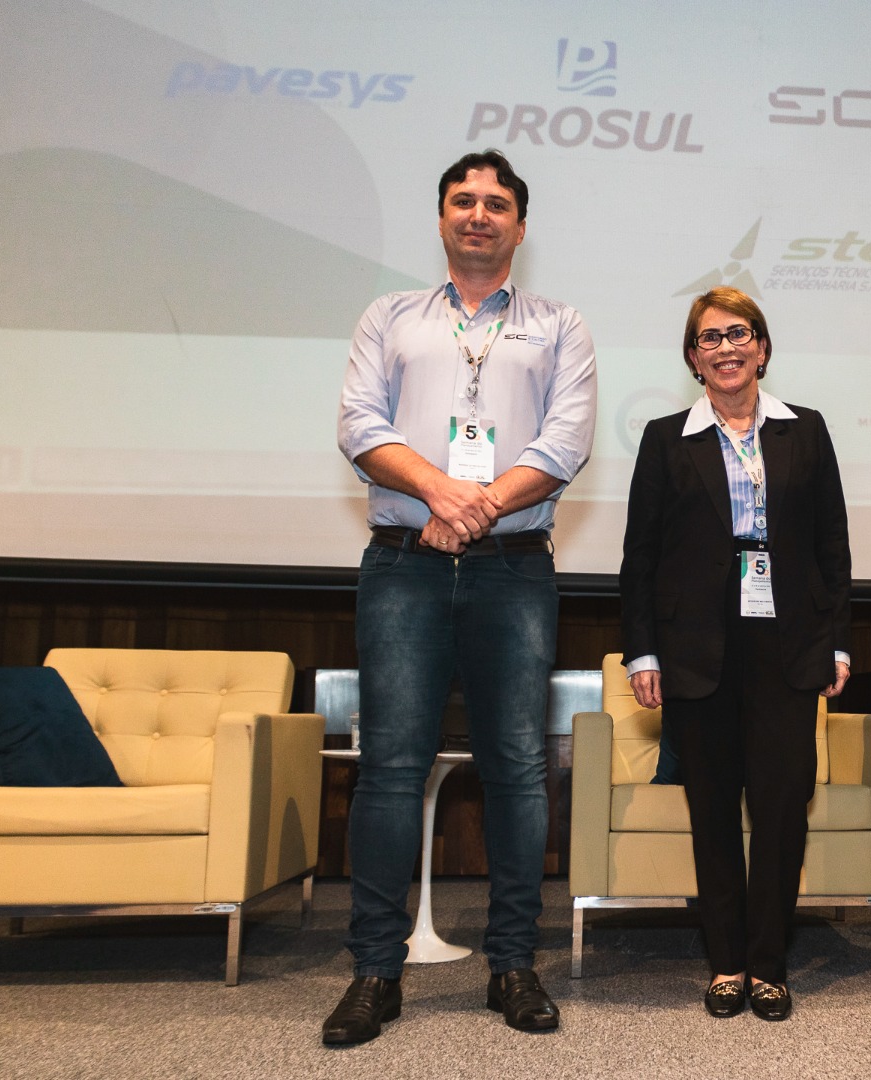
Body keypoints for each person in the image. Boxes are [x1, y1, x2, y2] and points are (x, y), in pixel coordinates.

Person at [327, 150, 597, 1044]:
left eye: (496, 204)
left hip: (512, 568)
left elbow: (564, 442)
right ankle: (375, 971)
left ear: (520, 225)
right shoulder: (389, 316)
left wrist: (477, 509)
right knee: (390, 768)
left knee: (516, 766)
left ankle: (513, 965)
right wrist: (446, 495)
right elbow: (359, 426)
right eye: (463, 201)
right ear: (442, 217)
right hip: (404, 565)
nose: (479, 214)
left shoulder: (560, 325)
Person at [620, 287, 852, 1021]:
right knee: (713, 808)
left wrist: (837, 639)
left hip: (788, 640)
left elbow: (833, 544)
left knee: (782, 808)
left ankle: (769, 964)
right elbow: (639, 555)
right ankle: (726, 962)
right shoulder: (666, 438)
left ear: (763, 347)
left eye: (739, 334)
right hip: (696, 643)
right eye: (710, 338)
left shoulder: (805, 430)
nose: (726, 348)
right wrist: (642, 654)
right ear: (693, 358)